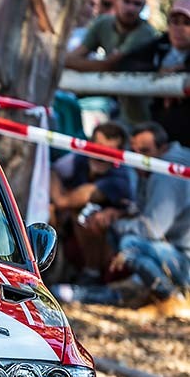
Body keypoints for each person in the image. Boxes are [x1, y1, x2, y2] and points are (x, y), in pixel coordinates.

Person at [56, 123, 190, 318]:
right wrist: (119, 214)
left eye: (145, 151)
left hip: (182, 258)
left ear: (162, 149)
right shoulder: (155, 165)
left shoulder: (164, 175)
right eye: (134, 151)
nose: (138, 158)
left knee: (129, 244)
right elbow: (143, 214)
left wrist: (115, 222)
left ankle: (173, 299)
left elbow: (152, 229)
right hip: (172, 251)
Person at [49, 122, 134, 282]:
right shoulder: (79, 159)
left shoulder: (119, 179)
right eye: (98, 147)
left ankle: (92, 274)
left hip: (112, 246)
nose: (100, 156)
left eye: (108, 151)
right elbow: (53, 171)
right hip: (74, 236)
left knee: (88, 217)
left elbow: (66, 200)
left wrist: (60, 198)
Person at [116, 0, 190, 147]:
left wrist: (181, 75)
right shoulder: (159, 44)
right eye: (175, 22)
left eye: (187, 23)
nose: (179, 29)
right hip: (155, 131)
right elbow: (126, 63)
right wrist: (157, 72)